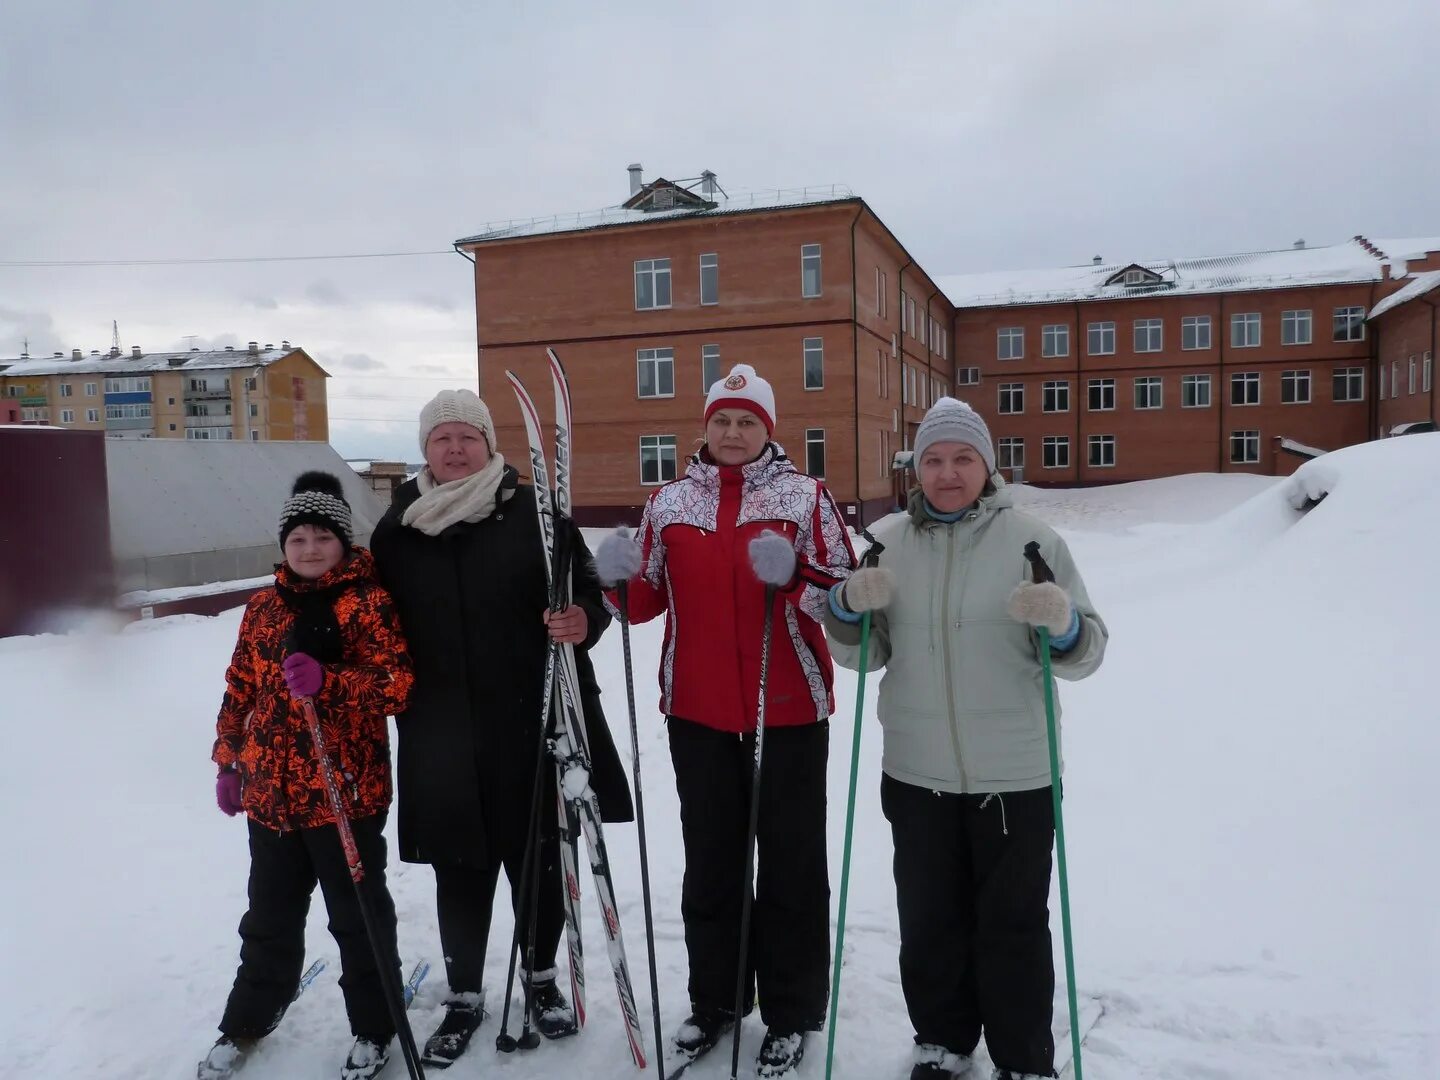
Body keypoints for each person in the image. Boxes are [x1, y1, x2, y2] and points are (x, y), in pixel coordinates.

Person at [823, 397, 1108, 1080]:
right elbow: (867, 657)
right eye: (934, 460)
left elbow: (1089, 650)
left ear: (987, 465)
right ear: (915, 467)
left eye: (962, 459)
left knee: (1012, 926)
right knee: (929, 921)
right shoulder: (887, 540)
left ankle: (1021, 1057)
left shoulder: (1034, 541)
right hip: (917, 771)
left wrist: (1062, 623)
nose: (948, 473)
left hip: (1016, 773)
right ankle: (943, 1041)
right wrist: (844, 608)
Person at [594, 363, 856, 1078]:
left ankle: (793, 1010)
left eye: (748, 421)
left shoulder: (806, 497)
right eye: (722, 420)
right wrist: (615, 577)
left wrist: (797, 577)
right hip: (698, 711)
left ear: (768, 430)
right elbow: (642, 602)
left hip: (790, 709)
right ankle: (716, 1000)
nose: (733, 432)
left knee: (792, 866)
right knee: (712, 860)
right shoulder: (670, 501)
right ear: (704, 428)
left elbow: (847, 593)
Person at [369, 388, 633, 1067]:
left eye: (467, 437)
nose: (454, 449)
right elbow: (367, 617)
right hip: (437, 728)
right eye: (441, 439)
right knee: (458, 865)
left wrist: (582, 620)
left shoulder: (537, 516)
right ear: (423, 450)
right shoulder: (397, 531)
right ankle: (463, 994)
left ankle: (541, 980)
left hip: (530, 716)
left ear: (489, 445)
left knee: (537, 854)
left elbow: (589, 592)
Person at [199, 471, 416, 1080]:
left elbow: (398, 686)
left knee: (357, 917)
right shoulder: (263, 607)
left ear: (343, 542)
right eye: (299, 537)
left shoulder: (367, 603)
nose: (311, 548)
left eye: (323, 535)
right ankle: (248, 1018)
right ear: (284, 544)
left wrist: (333, 682)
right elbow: (239, 689)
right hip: (271, 795)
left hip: (343, 795)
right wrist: (228, 761)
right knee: (267, 917)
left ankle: (374, 1027)